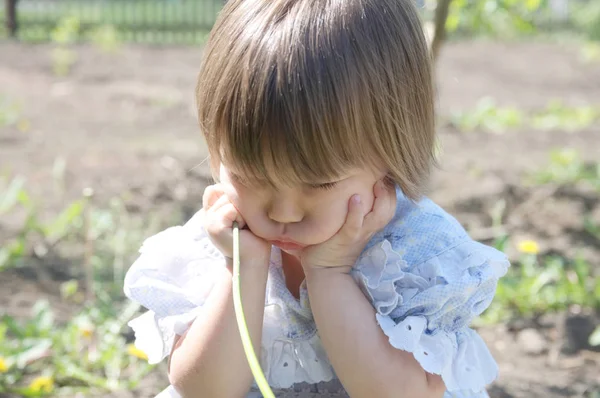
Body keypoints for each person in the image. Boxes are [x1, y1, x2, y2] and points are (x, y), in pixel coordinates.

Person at [123, 0, 510, 397]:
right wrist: (244, 271)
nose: (283, 211)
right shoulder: (214, 246)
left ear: (392, 153)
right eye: (249, 177)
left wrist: (330, 275)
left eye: (319, 184)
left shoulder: (416, 254)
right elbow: (204, 391)